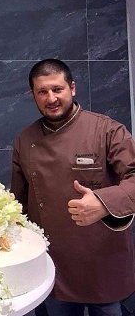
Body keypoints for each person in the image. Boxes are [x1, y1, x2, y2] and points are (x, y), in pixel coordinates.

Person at [11, 58, 135, 316]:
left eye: (57, 89)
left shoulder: (107, 130)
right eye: (42, 92)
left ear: (72, 88)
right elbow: (18, 204)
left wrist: (103, 202)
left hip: (102, 258)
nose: (51, 98)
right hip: (54, 262)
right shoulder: (25, 140)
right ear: (33, 95)